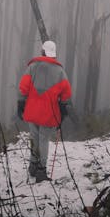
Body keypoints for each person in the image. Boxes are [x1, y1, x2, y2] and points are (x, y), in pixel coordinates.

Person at [17, 40, 72, 182]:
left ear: (42, 51)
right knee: (44, 140)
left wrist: (21, 102)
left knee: (34, 139)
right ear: (53, 54)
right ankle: (41, 170)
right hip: (49, 113)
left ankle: (33, 166)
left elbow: (23, 86)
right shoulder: (60, 71)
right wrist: (64, 107)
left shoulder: (32, 67)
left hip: (32, 110)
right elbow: (66, 92)